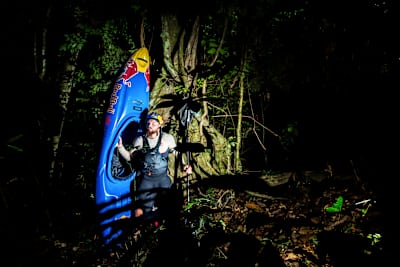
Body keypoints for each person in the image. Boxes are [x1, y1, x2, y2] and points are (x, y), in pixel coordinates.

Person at [117, 112, 192, 219]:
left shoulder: (167, 138)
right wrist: (120, 147)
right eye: (148, 123)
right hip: (145, 180)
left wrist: (184, 165)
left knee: (170, 206)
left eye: (153, 123)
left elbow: (177, 154)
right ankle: (145, 228)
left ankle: (166, 225)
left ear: (159, 125)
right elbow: (130, 158)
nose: (150, 125)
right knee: (143, 211)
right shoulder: (140, 140)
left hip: (162, 179)